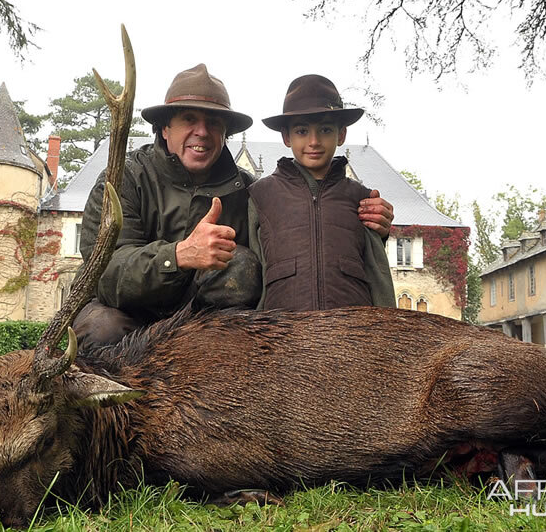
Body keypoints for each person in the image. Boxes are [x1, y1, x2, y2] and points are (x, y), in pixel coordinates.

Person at [75, 65, 394, 346]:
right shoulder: (123, 180)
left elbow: (300, 236)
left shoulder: (250, 191)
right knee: (102, 329)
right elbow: (104, 272)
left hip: (197, 325)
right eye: (189, 119)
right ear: (164, 128)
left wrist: (372, 226)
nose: (201, 132)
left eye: (213, 122)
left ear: (225, 133)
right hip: (124, 317)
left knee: (241, 264)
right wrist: (180, 256)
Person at [248, 74, 396, 310]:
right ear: (287, 137)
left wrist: (390, 332)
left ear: (341, 135)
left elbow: (379, 279)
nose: (314, 141)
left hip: (352, 335)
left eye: (325, 129)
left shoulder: (362, 199)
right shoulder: (261, 196)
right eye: (302, 131)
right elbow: (251, 278)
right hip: (283, 336)